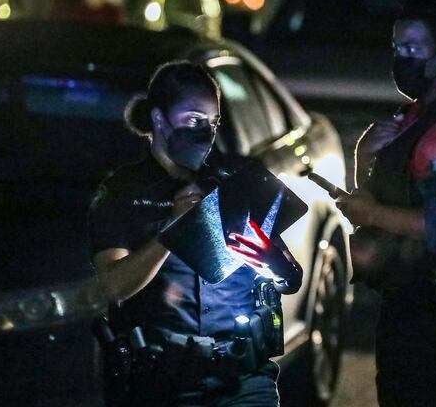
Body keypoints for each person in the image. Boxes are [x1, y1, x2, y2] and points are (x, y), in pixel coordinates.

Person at [88, 61, 301, 406]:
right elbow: (114, 286)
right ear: (159, 119)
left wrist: (275, 264)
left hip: (242, 378)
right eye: (193, 120)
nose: (206, 131)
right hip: (162, 384)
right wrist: (173, 229)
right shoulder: (121, 192)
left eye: (213, 122)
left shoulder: (237, 177)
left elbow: (290, 278)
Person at [336, 0, 436, 407]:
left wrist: (371, 212)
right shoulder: (412, 118)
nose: (401, 58)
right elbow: (372, 204)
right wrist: (364, 158)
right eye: (397, 48)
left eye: (413, 48)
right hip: (402, 301)